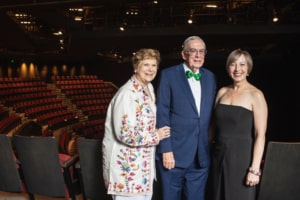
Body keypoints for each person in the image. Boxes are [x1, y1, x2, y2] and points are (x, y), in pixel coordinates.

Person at [102, 48, 171, 200]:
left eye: (154, 65)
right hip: (126, 173)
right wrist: (156, 136)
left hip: (143, 171)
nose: (150, 69)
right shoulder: (126, 94)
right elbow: (125, 134)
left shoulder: (149, 88)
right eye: (146, 64)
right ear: (136, 67)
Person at [155, 36, 217, 200]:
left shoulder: (210, 77)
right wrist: (166, 149)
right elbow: (162, 113)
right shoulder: (168, 75)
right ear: (184, 54)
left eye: (201, 51)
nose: (198, 55)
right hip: (174, 154)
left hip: (200, 156)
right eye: (193, 51)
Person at [209, 49, 268, 200]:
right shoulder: (222, 91)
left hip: (241, 160)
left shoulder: (256, 95)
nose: (237, 69)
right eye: (233, 64)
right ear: (228, 68)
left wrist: (254, 169)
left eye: (242, 64)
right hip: (218, 157)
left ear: (248, 68)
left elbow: (260, 135)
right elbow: (213, 126)